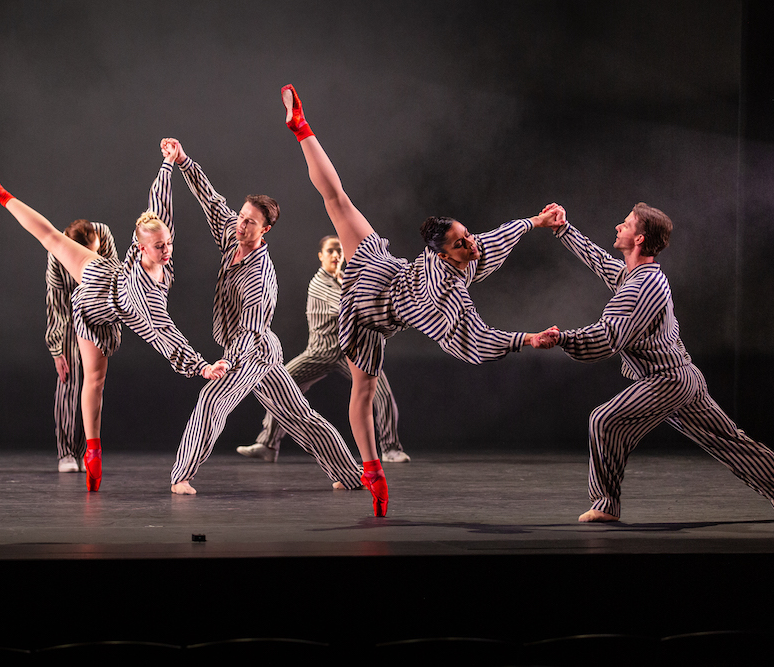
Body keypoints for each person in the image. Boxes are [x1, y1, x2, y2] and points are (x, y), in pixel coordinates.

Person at [281, 84, 561, 516]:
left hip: (383, 267)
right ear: (440, 254)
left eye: (466, 236)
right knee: (364, 389)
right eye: (462, 243)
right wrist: (527, 339)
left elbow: (496, 236)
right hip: (371, 309)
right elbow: (478, 339)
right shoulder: (442, 293)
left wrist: (535, 221)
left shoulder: (461, 253)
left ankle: (302, 129)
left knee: (338, 201)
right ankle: (372, 470)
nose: (471, 244)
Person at [0, 141, 228, 492]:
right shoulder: (147, 298)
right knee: (94, 381)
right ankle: (92, 450)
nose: (167, 249)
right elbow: (165, 335)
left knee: (51, 238)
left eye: (168, 243)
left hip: (102, 272)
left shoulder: (150, 242)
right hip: (95, 307)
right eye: (159, 247)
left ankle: (2, 195)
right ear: (141, 248)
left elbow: (159, 207)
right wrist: (201, 366)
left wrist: (168, 164)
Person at [540, 202, 774, 522]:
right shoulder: (632, 276)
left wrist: (562, 339)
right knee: (729, 441)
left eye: (626, 224)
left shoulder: (643, 287)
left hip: (666, 379)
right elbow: (600, 261)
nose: (618, 227)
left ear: (640, 239)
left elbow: (608, 337)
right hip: (682, 377)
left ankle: (605, 506)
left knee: (605, 420)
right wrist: (563, 229)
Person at [162, 138, 364, 496]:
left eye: (250, 223)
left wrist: (227, 361)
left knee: (212, 401)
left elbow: (250, 330)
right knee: (299, 417)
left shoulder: (260, 278)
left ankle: (181, 477)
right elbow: (211, 200)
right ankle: (351, 476)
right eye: (241, 218)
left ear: (265, 229)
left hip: (252, 349)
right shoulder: (230, 232)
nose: (241, 226)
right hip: (263, 351)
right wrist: (182, 160)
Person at [237, 235, 410, 463]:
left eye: (340, 250)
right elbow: (350, 309)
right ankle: (268, 444)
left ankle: (391, 449)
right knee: (278, 384)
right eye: (331, 251)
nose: (337, 255)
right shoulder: (320, 282)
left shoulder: (347, 280)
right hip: (320, 353)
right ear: (321, 256)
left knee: (382, 393)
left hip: (349, 352)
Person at [46, 219, 118, 473]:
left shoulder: (103, 233)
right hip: (69, 314)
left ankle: (86, 448)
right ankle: (66, 452)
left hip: (98, 311)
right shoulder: (57, 252)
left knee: (94, 382)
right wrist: (57, 348)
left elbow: (115, 279)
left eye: (94, 251)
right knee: (69, 381)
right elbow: (56, 300)